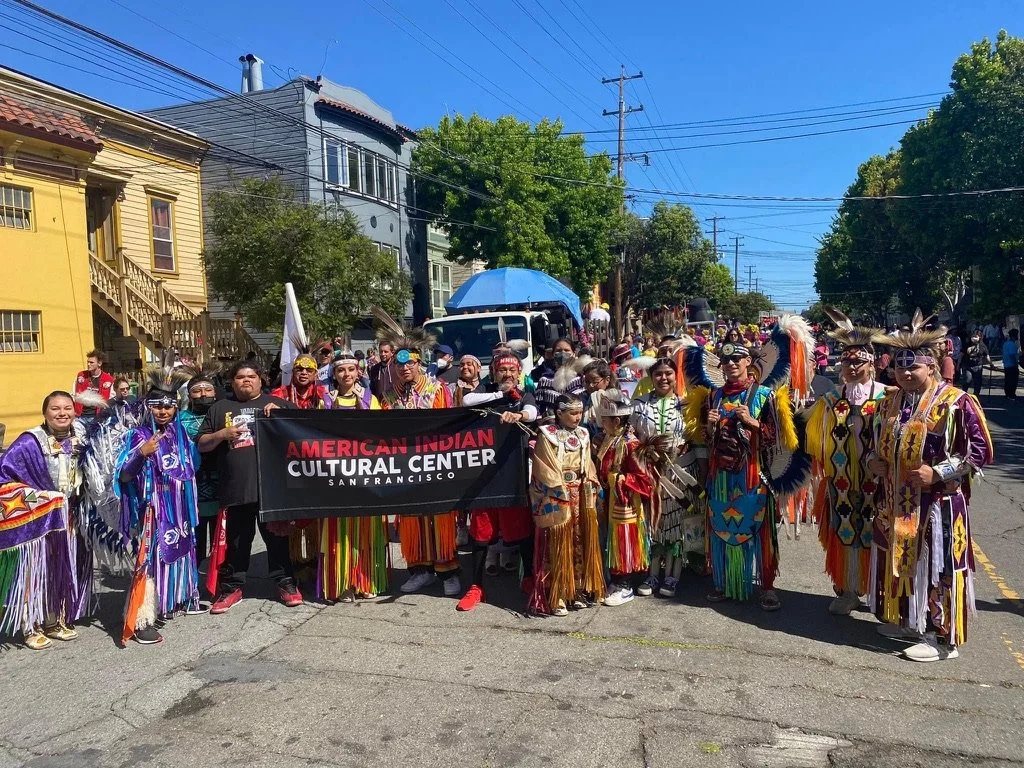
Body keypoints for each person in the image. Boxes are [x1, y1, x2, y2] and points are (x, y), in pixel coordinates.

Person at [867, 311, 993, 662]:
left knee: (940, 564)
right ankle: (911, 620)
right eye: (900, 368)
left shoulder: (956, 402)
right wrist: (872, 463)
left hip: (939, 504)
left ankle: (944, 638)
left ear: (931, 367)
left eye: (914, 368)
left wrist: (938, 473)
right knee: (905, 560)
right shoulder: (890, 403)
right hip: (896, 501)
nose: (906, 374)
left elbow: (980, 451)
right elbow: (876, 446)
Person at [691, 339, 794, 611]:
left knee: (760, 529)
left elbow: (776, 440)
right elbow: (707, 440)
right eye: (726, 361)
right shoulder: (713, 396)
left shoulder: (764, 395)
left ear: (749, 361)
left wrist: (753, 423)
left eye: (738, 359)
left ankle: (767, 586)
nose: (732, 364)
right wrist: (710, 428)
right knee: (722, 527)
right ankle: (725, 582)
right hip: (721, 478)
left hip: (753, 477)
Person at [198, 361, 299, 613]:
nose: (246, 380)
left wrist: (284, 415)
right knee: (237, 543)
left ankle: (286, 583)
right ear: (232, 382)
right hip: (236, 489)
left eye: (251, 376)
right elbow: (201, 443)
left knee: (277, 541)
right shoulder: (220, 408)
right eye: (240, 377)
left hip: (272, 489)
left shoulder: (278, 404)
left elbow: (305, 432)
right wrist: (221, 434)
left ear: (261, 380)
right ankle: (232, 587)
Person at [804, 310, 887, 616]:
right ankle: (848, 589)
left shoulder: (887, 397)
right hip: (839, 485)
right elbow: (814, 441)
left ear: (872, 363)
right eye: (847, 361)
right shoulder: (829, 400)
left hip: (878, 484)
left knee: (879, 535)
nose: (851, 367)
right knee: (844, 533)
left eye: (858, 362)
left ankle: (880, 595)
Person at [115, 366, 202, 645]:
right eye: (157, 406)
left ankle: (177, 599)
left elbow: (192, 466)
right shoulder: (140, 435)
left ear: (176, 408)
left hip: (180, 506)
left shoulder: (181, 435)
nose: (163, 412)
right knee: (151, 559)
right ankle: (142, 618)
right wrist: (142, 453)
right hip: (154, 509)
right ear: (148, 407)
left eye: (169, 406)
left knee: (182, 548)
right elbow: (124, 475)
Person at [377, 329, 460, 596]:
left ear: (419, 363)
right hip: (406, 467)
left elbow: (452, 426)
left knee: (441, 516)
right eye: (399, 364)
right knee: (412, 518)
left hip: (436, 463)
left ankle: (447, 569)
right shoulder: (389, 398)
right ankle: (420, 570)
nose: (405, 368)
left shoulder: (439, 390)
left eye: (410, 362)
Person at [0, 391, 86, 650]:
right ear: (45, 413)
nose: (62, 413)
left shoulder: (81, 439)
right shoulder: (29, 443)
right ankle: (30, 625)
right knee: (33, 573)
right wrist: (42, 499)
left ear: (74, 410)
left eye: (67, 408)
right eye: (55, 409)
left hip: (68, 518)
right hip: (38, 521)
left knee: (60, 567)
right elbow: (4, 479)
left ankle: (53, 620)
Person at [455, 349, 538, 611]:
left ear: (520, 372)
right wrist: (501, 395)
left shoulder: (524, 393)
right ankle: (476, 587)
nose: (508, 373)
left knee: (522, 531)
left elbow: (532, 412)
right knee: (480, 534)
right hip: (485, 474)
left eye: (513, 369)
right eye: (503, 369)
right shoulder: (487, 390)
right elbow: (467, 400)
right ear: (494, 372)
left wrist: (519, 415)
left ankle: (528, 578)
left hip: (513, 472)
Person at [632, 357, 704, 598]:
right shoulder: (640, 404)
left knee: (677, 522)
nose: (664, 378)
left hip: (680, 471)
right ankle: (652, 574)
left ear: (676, 377)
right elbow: (632, 436)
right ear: (651, 378)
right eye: (658, 374)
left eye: (668, 374)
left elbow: (698, 439)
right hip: (650, 471)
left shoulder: (687, 405)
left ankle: (673, 575)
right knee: (654, 520)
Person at [319, 351, 387, 602]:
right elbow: (318, 433)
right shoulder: (326, 400)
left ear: (359, 372)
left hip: (366, 471)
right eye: (340, 370)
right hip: (338, 473)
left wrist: (363, 405)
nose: (346, 374)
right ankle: (342, 583)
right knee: (341, 530)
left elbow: (379, 431)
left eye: (351, 369)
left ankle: (365, 579)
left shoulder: (370, 397)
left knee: (367, 528)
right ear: (334, 374)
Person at [528, 393, 604, 615]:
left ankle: (576, 589)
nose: (577, 417)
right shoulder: (547, 435)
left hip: (580, 494)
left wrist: (591, 481)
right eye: (572, 413)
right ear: (559, 413)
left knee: (579, 541)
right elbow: (543, 468)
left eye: (580, 412)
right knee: (557, 544)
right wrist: (559, 489)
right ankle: (556, 593)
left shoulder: (583, 434)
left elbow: (588, 463)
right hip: (558, 495)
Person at [271, 349, 333, 585]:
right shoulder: (279, 395)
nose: (304, 373)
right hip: (289, 465)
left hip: (318, 466)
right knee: (294, 516)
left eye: (309, 369)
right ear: (292, 372)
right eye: (299, 369)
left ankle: (318, 563)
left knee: (317, 515)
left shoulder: (324, 396)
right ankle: (295, 565)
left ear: (316, 373)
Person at [596, 390, 654, 607]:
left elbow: (644, 479)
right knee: (614, 540)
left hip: (626, 501)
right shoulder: (611, 439)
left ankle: (626, 585)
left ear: (617, 420)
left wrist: (619, 479)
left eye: (605, 419)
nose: (602, 422)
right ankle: (617, 579)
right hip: (611, 499)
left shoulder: (630, 443)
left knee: (624, 542)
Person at [179, 373, 220, 563]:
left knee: (221, 538)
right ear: (189, 395)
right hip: (193, 485)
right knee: (196, 536)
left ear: (216, 392)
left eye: (208, 389)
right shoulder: (179, 419)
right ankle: (192, 579)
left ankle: (221, 580)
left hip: (223, 482)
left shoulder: (224, 413)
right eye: (197, 390)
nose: (203, 394)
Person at [534, 339, 587, 418]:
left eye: (566, 350)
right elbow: (539, 407)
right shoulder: (545, 380)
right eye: (558, 350)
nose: (562, 353)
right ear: (553, 354)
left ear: (574, 353)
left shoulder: (582, 379)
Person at [73, 349, 115, 423]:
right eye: (88, 362)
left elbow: (111, 399)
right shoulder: (81, 376)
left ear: (99, 363)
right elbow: (74, 393)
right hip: (80, 417)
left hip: (98, 418)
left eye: (91, 362)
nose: (88, 364)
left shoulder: (108, 379)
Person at [961, 330, 990, 398]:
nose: (973, 338)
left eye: (975, 336)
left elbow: (987, 356)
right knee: (967, 380)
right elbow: (961, 354)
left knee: (978, 383)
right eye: (972, 336)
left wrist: (991, 364)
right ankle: (963, 395)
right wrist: (958, 364)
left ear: (979, 337)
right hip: (967, 365)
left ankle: (976, 397)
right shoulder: (967, 344)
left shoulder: (982, 346)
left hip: (978, 366)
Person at [1002, 328, 1020, 399]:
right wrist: (1016, 363)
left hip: (1006, 364)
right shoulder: (1012, 344)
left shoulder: (1006, 343)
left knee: (1008, 379)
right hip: (1011, 364)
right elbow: (1013, 355)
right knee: (1013, 380)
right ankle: (1011, 394)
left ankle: (1008, 393)